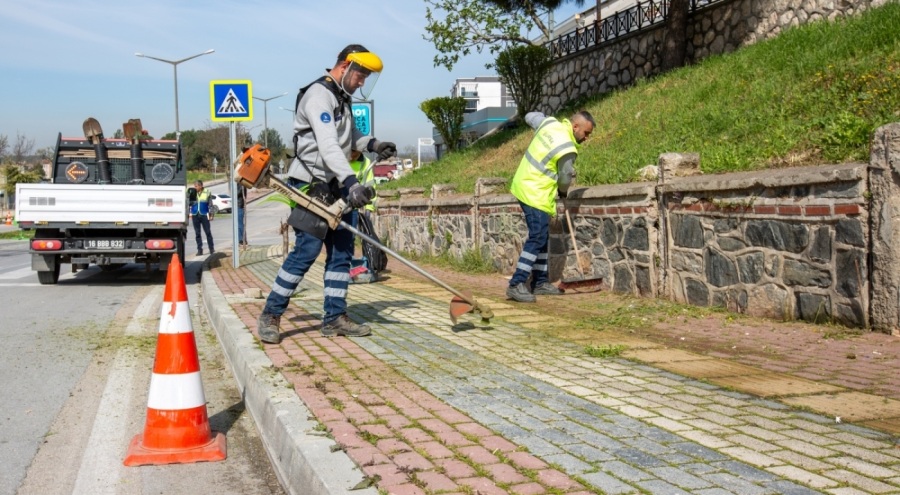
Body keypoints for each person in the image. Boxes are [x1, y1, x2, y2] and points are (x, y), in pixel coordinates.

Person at [256, 44, 396, 344]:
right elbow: (329, 144)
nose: (362, 83)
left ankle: (334, 318)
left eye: (367, 78)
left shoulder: (340, 98)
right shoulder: (319, 95)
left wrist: (373, 144)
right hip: (311, 184)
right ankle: (270, 314)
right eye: (360, 76)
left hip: (335, 186)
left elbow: (349, 135)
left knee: (342, 253)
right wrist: (352, 183)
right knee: (306, 251)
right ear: (345, 67)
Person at [506, 110, 595, 303]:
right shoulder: (567, 148)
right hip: (534, 192)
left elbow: (530, 116)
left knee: (542, 236)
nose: (587, 138)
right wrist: (563, 191)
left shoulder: (549, 124)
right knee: (537, 236)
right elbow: (565, 177)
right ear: (575, 127)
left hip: (523, 184)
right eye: (586, 133)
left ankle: (540, 282)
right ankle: (516, 284)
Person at [190, 179, 215, 256]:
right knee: (197, 233)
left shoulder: (207, 192)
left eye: (196, 186)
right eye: (195, 186)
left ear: (201, 186)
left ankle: (211, 248)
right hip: (195, 215)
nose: (195, 187)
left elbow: (210, 204)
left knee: (208, 232)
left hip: (204, 214)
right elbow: (189, 203)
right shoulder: (192, 193)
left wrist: (211, 214)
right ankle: (199, 250)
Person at [236, 184, 248, 248]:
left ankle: (242, 239)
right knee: (238, 225)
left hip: (239, 206)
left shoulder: (241, 185)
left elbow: (237, 193)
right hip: (237, 206)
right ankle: (240, 239)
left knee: (240, 225)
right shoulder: (238, 185)